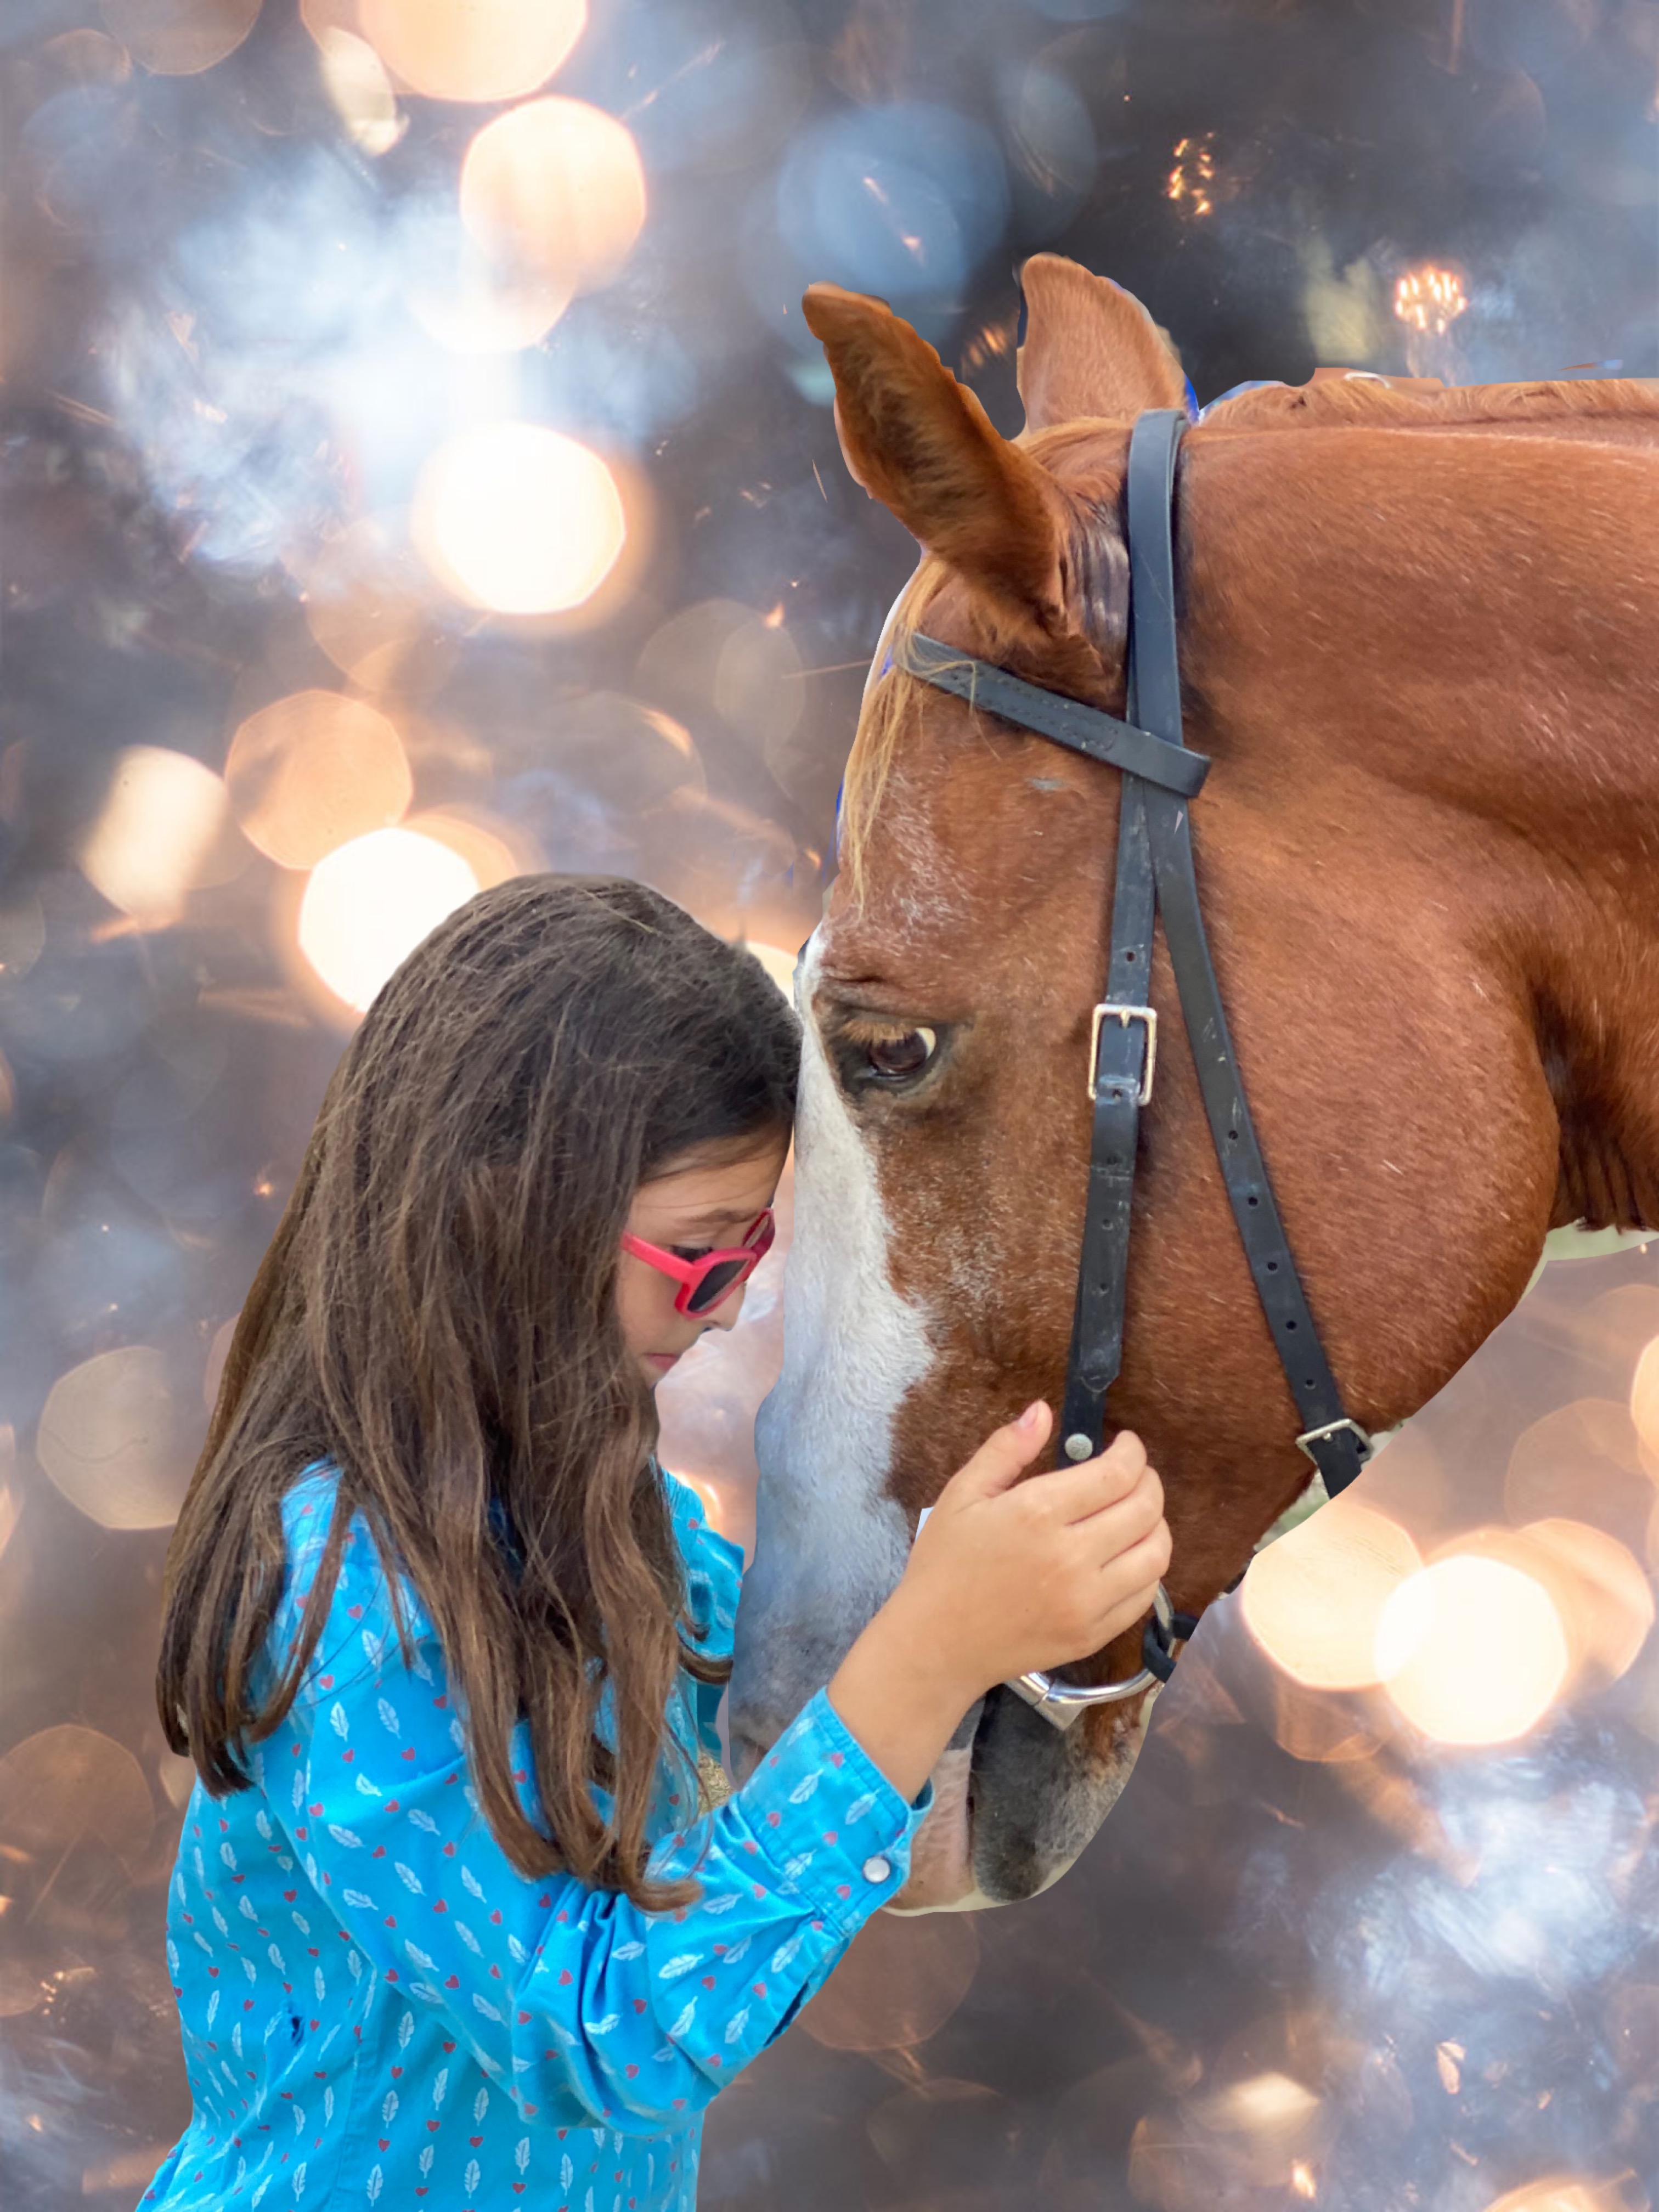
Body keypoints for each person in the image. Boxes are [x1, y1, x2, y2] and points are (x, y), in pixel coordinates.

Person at [143, 874, 1170, 2212]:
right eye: (699, 1259)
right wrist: (929, 1652)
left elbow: (806, 1761)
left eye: (753, 1259)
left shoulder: (625, 1524)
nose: (730, 1312)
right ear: (506, 1211)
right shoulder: (343, 1589)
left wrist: (1028, 1585)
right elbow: (600, 2034)